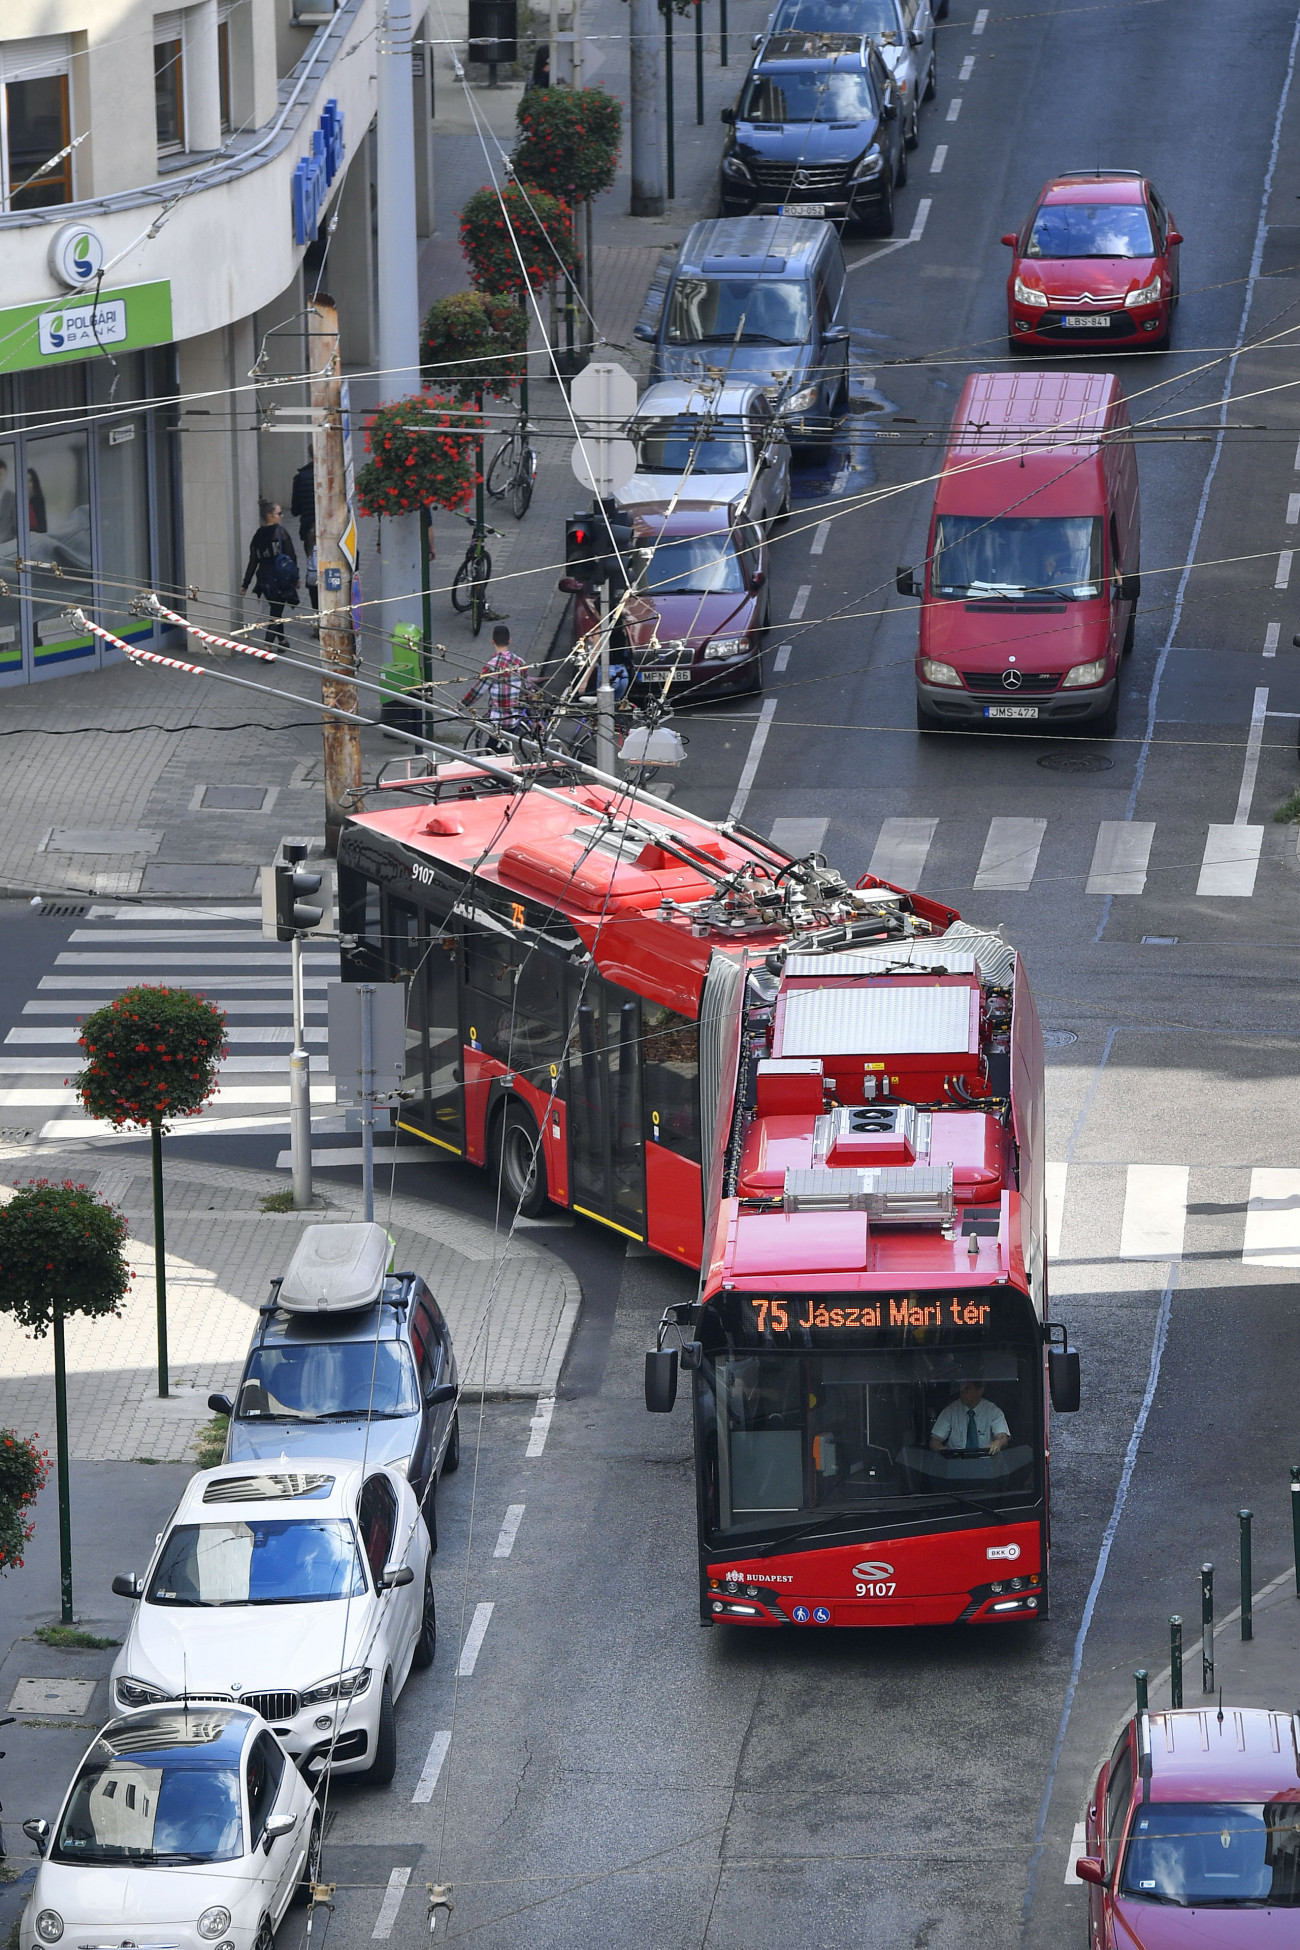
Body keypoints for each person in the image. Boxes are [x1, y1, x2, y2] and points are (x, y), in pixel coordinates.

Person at [241, 498, 298, 649]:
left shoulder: (257, 535)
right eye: (279, 513)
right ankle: (267, 646)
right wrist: (296, 578)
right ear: (270, 516)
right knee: (276, 613)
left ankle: (282, 641)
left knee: (275, 608)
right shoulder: (281, 532)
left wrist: (245, 583)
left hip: (263, 580)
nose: (282, 516)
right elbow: (292, 556)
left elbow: (253, 561)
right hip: (279, 579)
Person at [462, 624, 531, 741]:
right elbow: (527, 689)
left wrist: (459, 707)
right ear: (510, 641)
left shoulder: (492, 666)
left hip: (498, 719)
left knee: (494, 750)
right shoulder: (520, 662)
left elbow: (477, 691)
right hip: (515, 717)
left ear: (492, 641)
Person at [930, 1379, 1010, 1456]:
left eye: (967, 1388)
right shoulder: (950, 1411)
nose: (962, 1392)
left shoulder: (993, 1411)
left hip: (986, 1463)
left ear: (980, 1391)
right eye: (961, 1389)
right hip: (956, 1464)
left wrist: (998, 1443)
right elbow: (935, 1440)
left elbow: (1002, 1437)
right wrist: (941, 1449)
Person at [289, 457, 315, 545]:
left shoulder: (300, 477)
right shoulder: (334, 474)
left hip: (308, 525)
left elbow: (295, 510)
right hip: (329, 525)